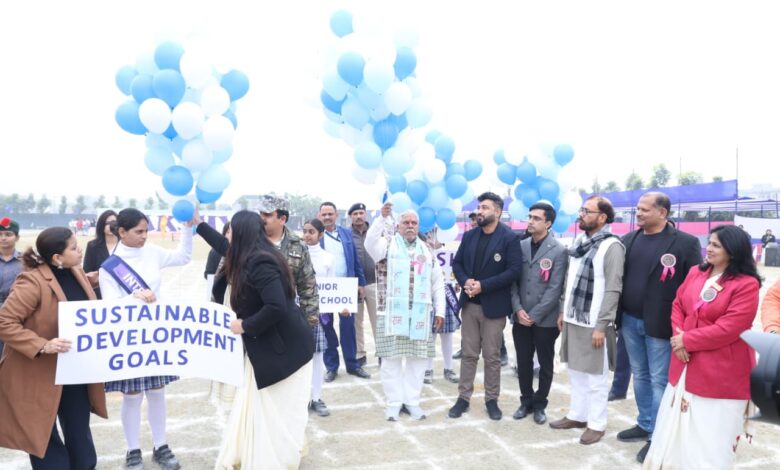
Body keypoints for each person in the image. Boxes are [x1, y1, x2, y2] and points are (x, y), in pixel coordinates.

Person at [196, 210, 314, 470]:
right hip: (270, 345)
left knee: (274, 410)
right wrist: (198, 224)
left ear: (240, 233)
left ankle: (273, 458)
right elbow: (222, 245)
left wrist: (244, 325)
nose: (227, 235)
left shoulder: (260, 262)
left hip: (286, 349)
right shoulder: (247, 254)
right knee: (262, 408)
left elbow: (275, 306)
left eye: (230, 230)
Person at [643, 225, 761, 469]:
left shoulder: (746, 284)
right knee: (676, 426)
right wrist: (679, 338)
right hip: (684, 361)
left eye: (716, 245)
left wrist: (687, 340)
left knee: (709, 434)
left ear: (733, 251)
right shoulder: (696, 272)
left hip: (721, 368)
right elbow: (677, 305)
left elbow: (731, 327)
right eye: (709, 242)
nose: (709, 248)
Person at [0, 227, 108, 469]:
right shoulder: (31, 281)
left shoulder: (77, 272)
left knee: (80, 438)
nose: (80, 250)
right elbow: (4, 322)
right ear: (57, 258)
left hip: (73, 372)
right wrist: (42, 345)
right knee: (45, 443)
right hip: (37, 373)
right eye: (74, 247)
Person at [99, 208, 192, 470]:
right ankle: (133, 450)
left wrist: (187, 228)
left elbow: (183, 257)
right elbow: (109, 305)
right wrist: (134, 297)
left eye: (146, 231)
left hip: (155, 334)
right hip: (128, 338)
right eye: (138, 231)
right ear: (122, 232)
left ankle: (161, 445)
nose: (144, 236)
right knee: (131, 395)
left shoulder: (152, 252)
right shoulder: (109, 267)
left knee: (157, 391)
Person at [615, 192, 702, 462]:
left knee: (659, 380)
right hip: (629, 320)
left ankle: (658, 436)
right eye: (637, 209)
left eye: (644, 209)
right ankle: (645, 423)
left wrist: (685, 328)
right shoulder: (628, 240)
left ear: (662, 212)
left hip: (662, 325)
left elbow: (694, 286)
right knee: (640, 375)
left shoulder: (685, 243)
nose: (638, 213)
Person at [550, 196, 625, 445]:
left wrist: (602, 325)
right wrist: (563, 310)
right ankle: (577, 415)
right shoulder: (580, 242)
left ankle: (596, 424)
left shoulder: (612, 246)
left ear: (602, 217)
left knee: (595, 378)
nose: (581, 215)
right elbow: (569, 280)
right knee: (575, 372)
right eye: (582, 210)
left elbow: (613, 289)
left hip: (595, 324)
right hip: (573, 319)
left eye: (586, 211)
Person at [366, 204, 445, 421]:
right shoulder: (387, 245)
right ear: (398, 226)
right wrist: (381, 219)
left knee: (417, 360)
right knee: (390, 359)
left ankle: (412, 401)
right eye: (406, 222)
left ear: (418, 226)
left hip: (420, 314)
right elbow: (369, 242)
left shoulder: (427, 250)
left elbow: (437, 282)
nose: (410, 226)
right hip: (390, 313)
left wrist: (440, 311)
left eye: (414, 223)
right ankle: (393, 403)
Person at [448, 192, 522, 421]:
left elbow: (514, 271)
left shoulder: (509, 238)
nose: (479, 211)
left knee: (491, 356)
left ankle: (491, 400)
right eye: (479, 207)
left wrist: (483, 286)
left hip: (494, 309)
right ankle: (463, 398)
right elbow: (457, 264)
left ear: (497, 212)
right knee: (469, 355)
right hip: (470, 305)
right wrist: (466, 282)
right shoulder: (469, 236)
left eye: (485, 208)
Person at [510, 202, 568, 425]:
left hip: (545, 319)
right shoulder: (520, 246)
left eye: (536, 218)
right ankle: (525, 401)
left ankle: (540, 403)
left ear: (548, 223)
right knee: (523, 361)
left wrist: (534, 315)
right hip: (520, 316)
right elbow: (513, 281)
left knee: (545, 363)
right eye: (530, 217)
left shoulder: (559, 250)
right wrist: (518, 309)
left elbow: (555, 288)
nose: (531, 221)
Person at [318, 202, 371, 381]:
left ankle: (352, 364)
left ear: (336, 215)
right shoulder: (316, 235)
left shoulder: (346, 234)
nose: (327, 217)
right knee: (326, 328)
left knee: (348, 328)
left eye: (330, 214)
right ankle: (331, 367)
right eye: (324, 214)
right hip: (325, 288)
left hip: (346, 287)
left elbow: (355, 261)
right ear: (319, 216)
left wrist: (360, 282)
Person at [301, 218, 336, 417]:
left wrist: (341, 306)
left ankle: (316, 398)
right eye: (305, 231)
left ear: (320, 235)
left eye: (311, 231)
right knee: (298, 358)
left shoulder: (328, 258)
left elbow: (333, 288)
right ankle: (300, 399)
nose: (307, 235)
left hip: (318, 315)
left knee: (317, 357)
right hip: (296, 314)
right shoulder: (294, 256)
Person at [349, 202, 379, 367]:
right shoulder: (346, 234)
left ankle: (382, 352)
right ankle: (360, 354)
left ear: (365, 214)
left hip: (375, 283)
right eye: (355, 214)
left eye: (361, 213)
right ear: (350, 217)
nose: (358, 216)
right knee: (356, 323)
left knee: (378, 320)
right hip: (354, 285)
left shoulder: (375, 232)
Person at [82, 209, 118, 299]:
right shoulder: (92, 246)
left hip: (121, 293)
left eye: (113, 223)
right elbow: (87, 271)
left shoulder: (125, 245)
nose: (110, 226)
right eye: (107, 223)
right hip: (100, 294)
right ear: (101, 225)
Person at [0, 217, 23, 356]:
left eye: (8, 234)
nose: (3, 238)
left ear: (17, 237)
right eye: (0, 234)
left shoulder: (26, 261)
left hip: (16, 313)